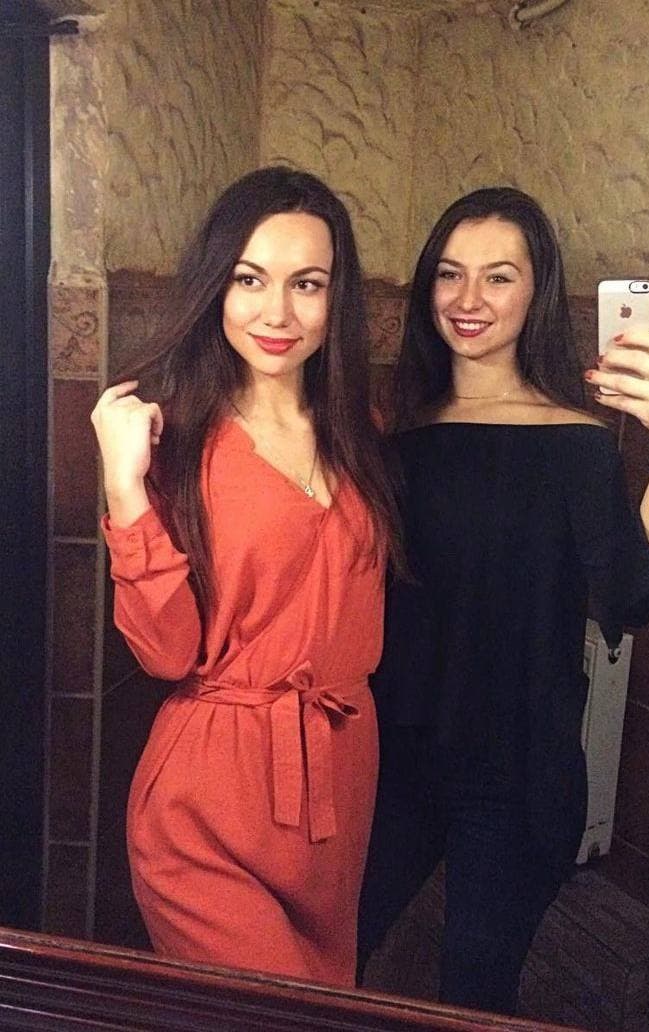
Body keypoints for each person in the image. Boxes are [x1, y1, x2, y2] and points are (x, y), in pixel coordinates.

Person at [357, 187, 649, 1014]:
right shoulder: (392, 435)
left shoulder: (575, 442)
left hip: (516, 774)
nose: (469, 298)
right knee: (329, 955)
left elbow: (630, 596)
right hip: (394, 755)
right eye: (450, 273)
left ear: (536, 290)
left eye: (499, 276)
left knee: (474, 995)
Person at [91, 166, 402, 985]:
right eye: (250, 279)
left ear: (337, 299)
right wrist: (124, 487)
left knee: (324, 999)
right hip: (208, 800)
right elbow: (165, 653)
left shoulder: (362, 432)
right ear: (216, 287)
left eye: (307, 284)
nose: (277, 313)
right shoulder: (177, 442)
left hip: (338, 777)